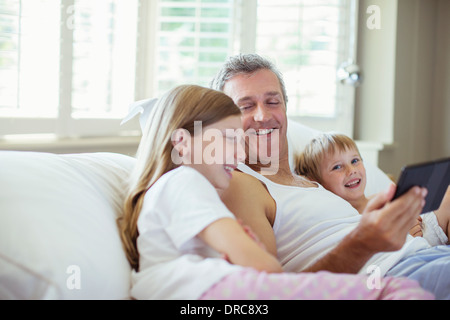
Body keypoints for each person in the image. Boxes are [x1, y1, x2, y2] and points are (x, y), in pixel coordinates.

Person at [117, 84, 432, 300]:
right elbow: (263, 268)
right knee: (393, 289)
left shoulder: (172, 195)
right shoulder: (184, 180)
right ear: (181, 142)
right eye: (226, 139)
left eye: (239, 142)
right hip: (224, 290)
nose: (238, 155)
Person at [210, 53, 450, 299]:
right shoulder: (241, 184)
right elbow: (274, 292)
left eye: (273, 102)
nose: (263, 115)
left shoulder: (311, 179)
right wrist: (364, 241)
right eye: (246, 106)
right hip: (394, 276)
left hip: (426, 254)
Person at [294, 132, 449, 246]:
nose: (351, 170)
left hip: (423, 230)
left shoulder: (380, 198)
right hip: (404, 247)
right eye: (337, 167)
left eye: (355, 161)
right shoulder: (343, 219)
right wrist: (406, 237)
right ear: (317, 182)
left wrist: (413, 218)